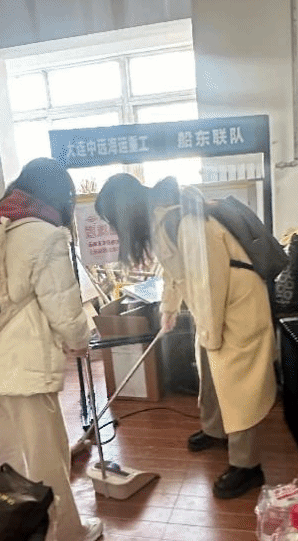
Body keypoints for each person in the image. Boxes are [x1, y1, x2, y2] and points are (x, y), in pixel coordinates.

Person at [0, 158, 102, 541]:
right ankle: (64, 535)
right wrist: (80, 339)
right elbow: (64, 308)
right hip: (24, 368)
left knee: (2, 452)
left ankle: (11, 531)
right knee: (46, 456)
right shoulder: (45, 236)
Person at [95, 174, 277, 499]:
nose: (116, 229)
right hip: (217, 305)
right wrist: (168, 309)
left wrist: (210, 330)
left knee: (238, 384)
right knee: (210, 371)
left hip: (237, 305)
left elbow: (209, 280)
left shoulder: (185, 220)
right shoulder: (163, 219)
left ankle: (248, 466)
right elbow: (174, 272)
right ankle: (215, 430)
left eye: (113, 221)